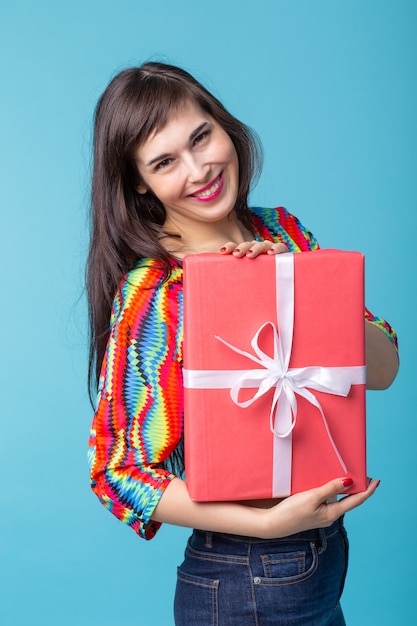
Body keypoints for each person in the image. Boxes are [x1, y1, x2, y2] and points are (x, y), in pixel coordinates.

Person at [86, 62, 399, 625]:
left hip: (325, 562)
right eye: (164, 162)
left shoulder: (284, 233)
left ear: (223, 125)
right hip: (245, 575)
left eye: (201, 137)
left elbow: (382, 369)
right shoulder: (158, 289)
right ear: (140, 182)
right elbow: (117, 471)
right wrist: (266, 525)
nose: (199, 168)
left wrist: (301, 284)